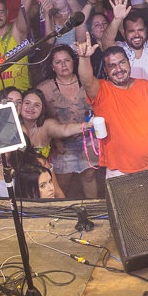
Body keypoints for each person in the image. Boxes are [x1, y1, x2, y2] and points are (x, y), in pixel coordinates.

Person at [74, 39, 148, 178]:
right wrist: (84, 58)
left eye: (122, 62)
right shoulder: (101, 90)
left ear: (129, 63)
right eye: (112, 65)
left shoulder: (145, 86)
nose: (119, 69)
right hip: (119, 172)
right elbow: (86, 80)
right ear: (105, 70)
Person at [39, 44, 101, 199]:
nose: (63, 65)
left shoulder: (86, 81)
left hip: (88, 139)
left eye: (67, 60)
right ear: (52, 66)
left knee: (89, 176)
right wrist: (54, 140)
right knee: (62, 182)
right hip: (63, 143)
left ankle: (93, 208)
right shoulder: (45, 88)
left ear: (74, 61)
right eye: (58, 62)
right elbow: (41, 117)